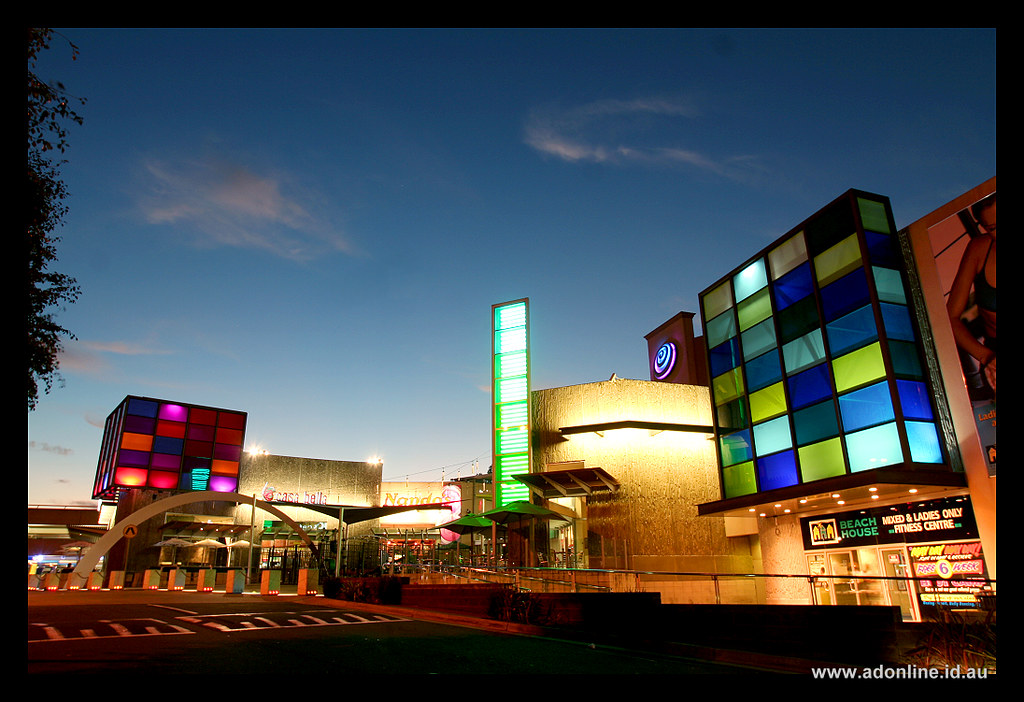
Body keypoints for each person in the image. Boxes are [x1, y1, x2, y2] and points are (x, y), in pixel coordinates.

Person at [947, 193, 996, 397]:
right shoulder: (978, 249)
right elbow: (951, 318)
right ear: (984, 227)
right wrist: (987, 358)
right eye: (993, 228)